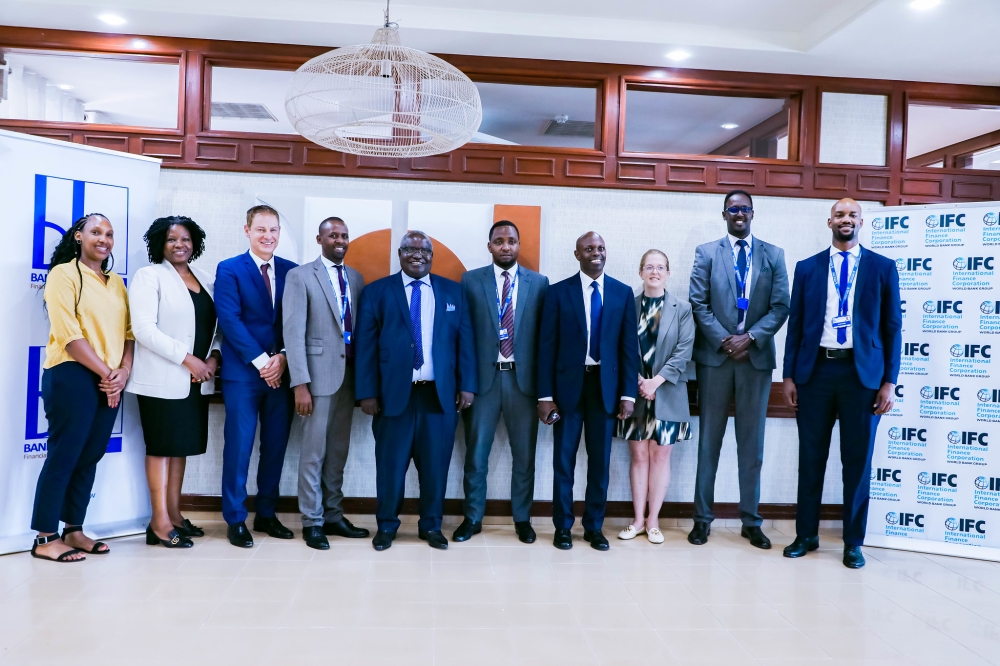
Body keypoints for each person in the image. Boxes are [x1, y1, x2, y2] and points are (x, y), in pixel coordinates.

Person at [782, 198, 901, 569]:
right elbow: (796, 325)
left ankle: (853, 542)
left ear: (861, 222)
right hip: (815, 373)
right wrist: (788, 375)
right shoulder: (808, 268)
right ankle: (806, 535)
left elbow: (893, 328)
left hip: (862, 377)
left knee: (857, 462)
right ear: (828, 221)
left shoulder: (883, 268)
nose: (845, 220)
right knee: (810, 458)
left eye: (852, 215)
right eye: (839, 215)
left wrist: (889, 382)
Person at [356, 231, 477, 551]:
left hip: (439, 397)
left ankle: (431, 526)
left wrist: (468, 385)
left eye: (424, 250)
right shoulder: (376, 292)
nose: (417, 254)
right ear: (400, 253)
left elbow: (465, 343)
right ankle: (386, 527)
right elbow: (365, 347)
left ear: (432, 256)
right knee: (391, 467)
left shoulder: (454, 293)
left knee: (436, 467)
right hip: (391, 397)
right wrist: (366, 392)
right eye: (410, 249)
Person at [688, 190, 789, 549]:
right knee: (709, 443)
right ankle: (702, 519)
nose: (739, 214)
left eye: (745, 208)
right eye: (733, 209)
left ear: (753, 213)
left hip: (755, 361)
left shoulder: (773, 254)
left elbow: (780, 307)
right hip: (715, 359)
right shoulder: (706, 253)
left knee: (752, 446)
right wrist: (726, 339)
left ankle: (751, 520)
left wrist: (750, 338)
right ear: (724, 214)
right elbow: (698, 303)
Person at [30, 213, 134, 562]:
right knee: (65, 453)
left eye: (109, 234)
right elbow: (68, 334)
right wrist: (109, 374)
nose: (103, 239)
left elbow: (130, 334)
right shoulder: (64, 274)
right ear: (78, 236)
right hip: (72, 374)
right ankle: (45, 538)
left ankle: (74, 529)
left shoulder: (116, 282)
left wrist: (123, 371)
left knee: (90, 455)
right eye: (95, 232)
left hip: (109, 379)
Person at [537, 232, 639, 551]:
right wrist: (544, 396)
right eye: (589, 249)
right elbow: (546, 348)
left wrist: (627, 395)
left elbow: (627, 350)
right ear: (577, 254)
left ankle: (594, 526)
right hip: (567, 390)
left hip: (605, 390)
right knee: (563, 461)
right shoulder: (556, 293)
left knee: (600, 462)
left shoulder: (622, 294)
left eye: (600, 248)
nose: (596, 252)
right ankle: (563, 527)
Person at [126, 216, 220, 549]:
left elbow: (217, 330)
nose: (179, 244)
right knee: (162, 448)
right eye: (170, 239)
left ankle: (175, 515)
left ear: (195, 242)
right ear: (159, 244)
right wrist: (188, 359)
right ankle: (159, 522)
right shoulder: (148, 276)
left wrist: (212, 359)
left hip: (196, 381)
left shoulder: (206, 279)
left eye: (185, 238)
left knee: (180, 448)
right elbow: (144, 329)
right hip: (162, 378)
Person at [455, 220, 549, 544]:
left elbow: (544, 339)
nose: (505, 246)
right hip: (484, 382)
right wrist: (464, 382)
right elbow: (463, 336)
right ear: (489, 246)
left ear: (519, 245)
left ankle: (522, 519)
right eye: (499, 241)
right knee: (476, 456)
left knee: (524, 456)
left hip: (524, 384)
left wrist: (545, 391)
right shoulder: (470, 281)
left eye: (511, 240)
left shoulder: (539, 283)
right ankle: (472, 518)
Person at [214, 205, 298, 548]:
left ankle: (266, 513)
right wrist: (264, 362)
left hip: (282, 373)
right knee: (239, 448)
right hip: (244, 376)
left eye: (273, 230)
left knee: (275, 447)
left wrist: (283, 359)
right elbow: (230, 321)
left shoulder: (293, 272)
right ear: (246, 230)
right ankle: (235, 518)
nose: (268, 236)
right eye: (261, 229)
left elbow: (297, 323)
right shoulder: (230, 269)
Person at [284, 217, 369, 550]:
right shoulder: (300, 276)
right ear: (319, 238)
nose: (340, 240)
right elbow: (293, 333)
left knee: (337, 451)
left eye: (345, 235)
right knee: (313, 453)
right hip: (316, 380)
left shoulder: (356, 278)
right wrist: (300, 384)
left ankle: (333, 514)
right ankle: (312, 520)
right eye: (333, 234)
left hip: (349, 378)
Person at [616, 250, 694, 545]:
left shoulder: (682, 308)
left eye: (660, 267)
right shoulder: (628, 305)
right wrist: (638, 381)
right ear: (640, 272)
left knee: (661, 455)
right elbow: (621, 346)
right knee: (638, 455)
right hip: (634, 392)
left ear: (668, 272)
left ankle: (653, 522)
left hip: (668, 391)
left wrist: (656, 381)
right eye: (649, 266)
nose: (655, 271)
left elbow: (684, 350)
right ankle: (636, 520)